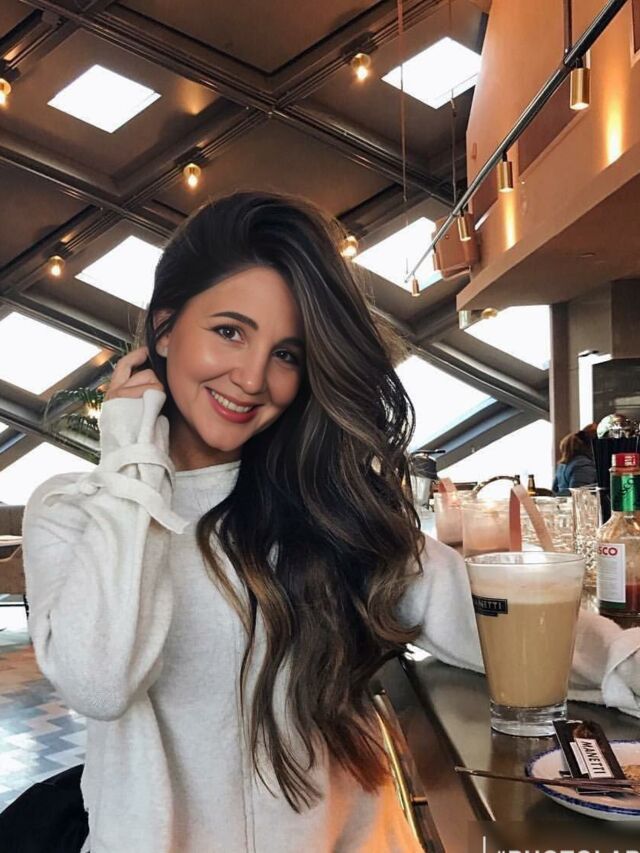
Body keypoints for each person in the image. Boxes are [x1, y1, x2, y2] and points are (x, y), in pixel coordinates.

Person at [19, 192, 640, 853]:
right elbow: (100, 681)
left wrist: (621, 663)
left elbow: (497, 614)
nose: (252, 378)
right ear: (165, 328)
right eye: (229, 331)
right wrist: (135, 458)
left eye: (287, 353)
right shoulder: (73, 512)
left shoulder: (327, 503)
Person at [552, 431, 597, 495]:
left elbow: (554, 492)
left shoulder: (561, 466)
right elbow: (578, 493)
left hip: (562, 500)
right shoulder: (583, 465)